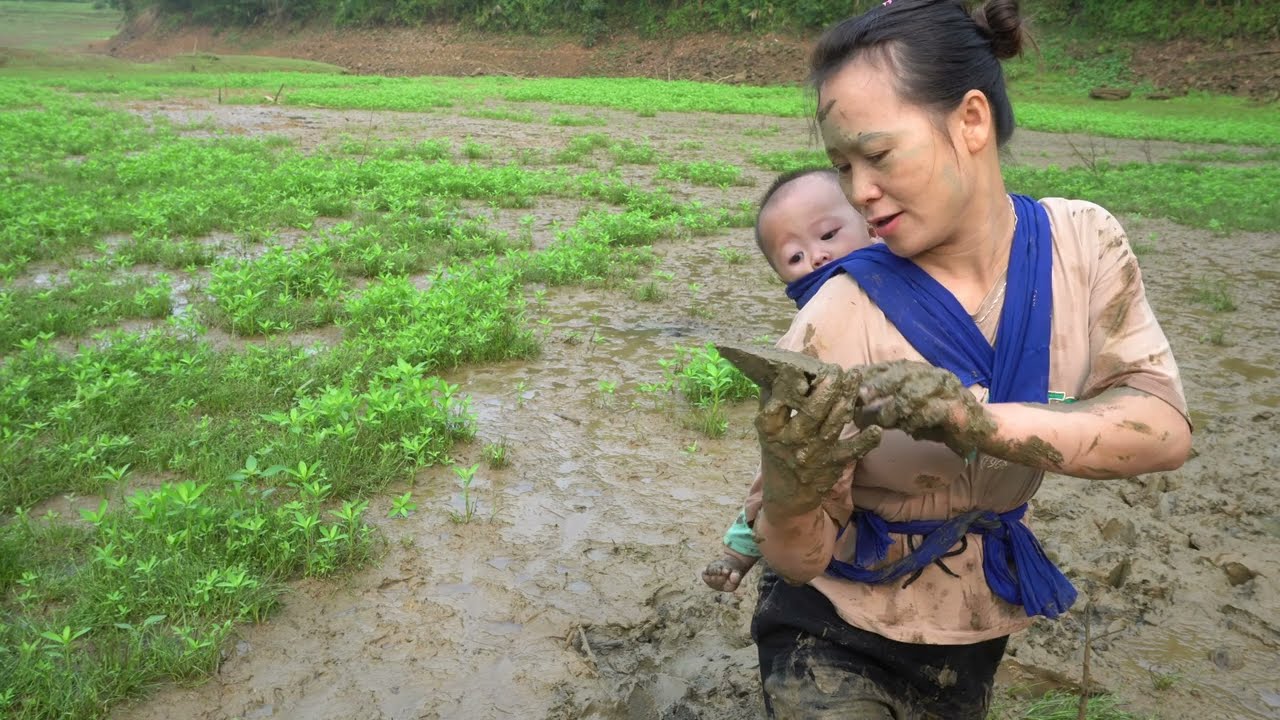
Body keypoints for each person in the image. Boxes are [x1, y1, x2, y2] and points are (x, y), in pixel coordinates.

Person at [740, 1, 1193, 718]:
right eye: (842, 166)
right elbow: (800, 559)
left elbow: (1162, 426)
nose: (859, 191)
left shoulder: (1084, 245)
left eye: (878, 155)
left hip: (972, 618)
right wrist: (792, 488)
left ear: (971, 121)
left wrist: (969, 419)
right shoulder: (835, 316)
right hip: (828, 626)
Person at [702, 168, 873, 593]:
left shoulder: (917, 282)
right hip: (824, 447)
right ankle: (741, 550)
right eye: (795, 257)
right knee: (777, 482)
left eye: (829, 235)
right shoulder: (805, 330)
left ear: (872, 224)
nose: (816, 257)